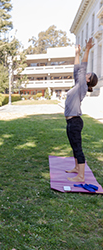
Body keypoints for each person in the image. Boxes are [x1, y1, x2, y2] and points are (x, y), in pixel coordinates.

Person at [65, 37, 98, 182]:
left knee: (78, 148)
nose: (85, 74)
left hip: (75, 121)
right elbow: (77, 69)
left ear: (89, 80)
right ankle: (77, 168)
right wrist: (77, 53)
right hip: (71, 121)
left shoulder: (83, 86)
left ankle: (81, 176)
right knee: (73, 146)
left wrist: (87, 50)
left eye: (87, 75)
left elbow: (82, 67)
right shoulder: (79, 85)